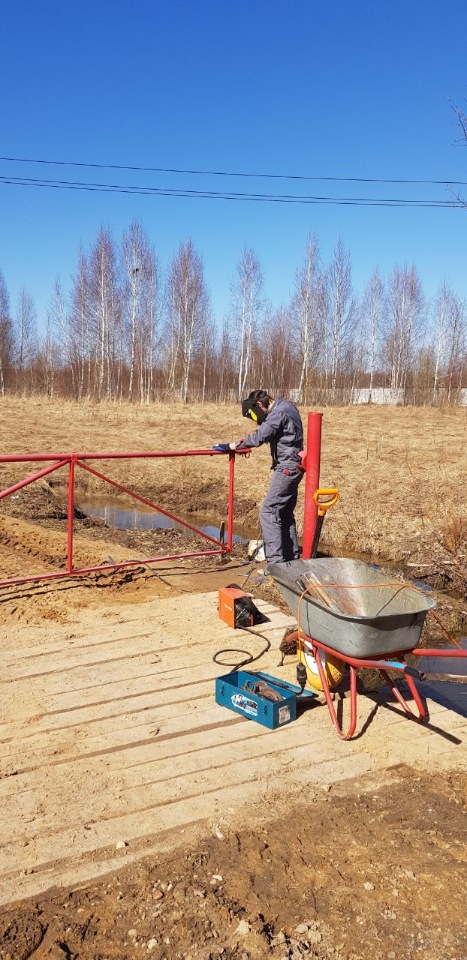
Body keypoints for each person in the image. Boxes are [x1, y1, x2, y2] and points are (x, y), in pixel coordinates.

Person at [214, 390, 304, 565]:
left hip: (286, 468)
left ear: (261, 405)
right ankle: (292, 559)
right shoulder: (288, 407)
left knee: (269, 512)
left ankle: (276, 564)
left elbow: (259, 437)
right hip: (295, 465)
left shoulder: (278, 413)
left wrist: (231, 446)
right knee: (284, 513)